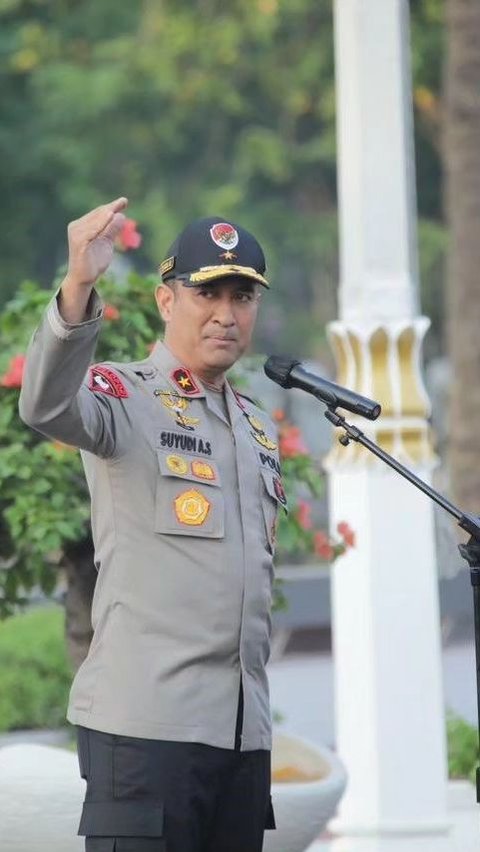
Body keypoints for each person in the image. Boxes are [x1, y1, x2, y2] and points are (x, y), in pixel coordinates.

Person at [19, 197, 286, 852]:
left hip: (240, 738)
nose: (227, 314)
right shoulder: (125, 395)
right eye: (208, 294)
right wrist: (80, 284)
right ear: (168, 302)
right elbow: (47, 403)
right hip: (148, 734)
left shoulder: (256, 427)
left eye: (243, 298)